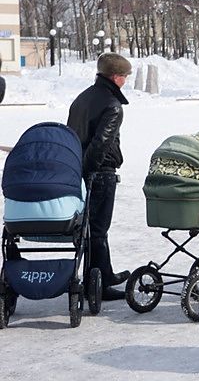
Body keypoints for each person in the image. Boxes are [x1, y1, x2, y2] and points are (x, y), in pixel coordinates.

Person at [67, 53, 132, 300]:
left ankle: (106, 272)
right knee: (97, 230)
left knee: (92, 228)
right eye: (124, 76)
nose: (125, 81)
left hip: (76, 167)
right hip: (99, 172)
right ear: (116, 77)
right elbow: (100, 144)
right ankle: (100, 285)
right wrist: (91, 170)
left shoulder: (82, 98)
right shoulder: (112, 106)